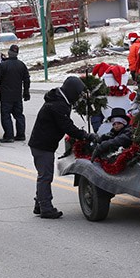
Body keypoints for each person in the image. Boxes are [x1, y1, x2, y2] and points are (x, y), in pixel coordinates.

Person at [28, 75, 92, 219]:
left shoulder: (60, 99)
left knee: (43, 175)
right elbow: (67, 126)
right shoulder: (58, 105)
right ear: (71, 91)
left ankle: (39, 205)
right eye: (77, 94)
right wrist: (86, 136)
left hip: (42, 144)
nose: (77, 98)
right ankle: (46, 208)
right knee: (45, 176)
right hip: (42, 146)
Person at [0, 44, 31, 143]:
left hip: (6, 96)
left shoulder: (3, 65)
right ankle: (21, 135)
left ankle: (9, 136)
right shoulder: (21, 65)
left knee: (6, 115)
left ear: (9, 53)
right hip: (17, 96)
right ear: (17, 54)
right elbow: (27, 79)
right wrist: (26, 93)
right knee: (19, 115)